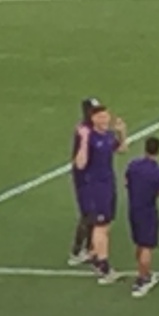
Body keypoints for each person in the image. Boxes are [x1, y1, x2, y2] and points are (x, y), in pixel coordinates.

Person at [71, 99, 127, 283]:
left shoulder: (108, 135)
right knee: (100, 225)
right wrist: (84, 139)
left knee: (106, 224)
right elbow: (80, 163)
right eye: (100, 116)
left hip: (108, 184)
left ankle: (95, 254)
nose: (105, 119)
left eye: (106, 115)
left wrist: (122, 133)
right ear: (93, 118)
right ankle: (103, 265)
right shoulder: (90, 137)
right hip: (94, 187)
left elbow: (122, 149)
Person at [124, 136, 159, 298]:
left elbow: (126, 182)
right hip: (148, 211)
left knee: (139, 243)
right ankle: (142, 279)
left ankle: (144, 272)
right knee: (147, 246)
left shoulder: (133, 166)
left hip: (133, 210)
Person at [68, 97, 97, 265]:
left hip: (93, 176)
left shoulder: (91, 128)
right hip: (84, 177)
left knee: (94, 213)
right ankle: (76, 250)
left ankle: (88, 248)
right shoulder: (83, 130)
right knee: (87, 214)